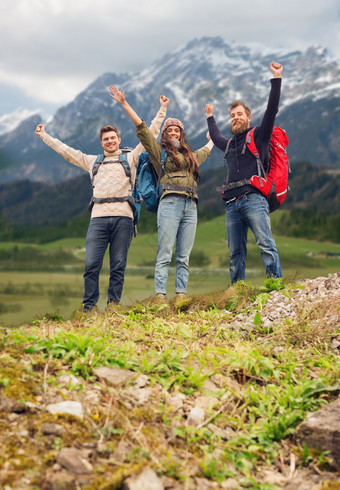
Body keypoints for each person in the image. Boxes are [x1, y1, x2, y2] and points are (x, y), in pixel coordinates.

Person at [35, 95, 169, 312]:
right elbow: (66, 151)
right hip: (97, 218)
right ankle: (89, 308)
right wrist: (44, 136)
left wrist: (162, 109)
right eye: (106, 139)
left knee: (118, 265)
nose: (110, 141)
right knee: (91, 266)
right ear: (101, 143)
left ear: (118, 139)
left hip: (124, 218)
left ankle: (113, 306)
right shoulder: (92, 161)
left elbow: (150, 133)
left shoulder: (131, 158)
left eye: (113, 138)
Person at [109, 84, 214, 302]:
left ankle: (181, 296)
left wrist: (213, 134)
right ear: (164, 135)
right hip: (169, 203)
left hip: (191, 205)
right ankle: (159, 296)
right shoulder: (158, 153)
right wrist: (124, 103)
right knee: (165, 253)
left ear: (182, 134)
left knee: (184, 256)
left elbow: (208, 148)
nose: (173, 133)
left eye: (177, 130)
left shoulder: (192, 157)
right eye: (169, 130)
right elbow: (142, 129)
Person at [205, 62, 283, 284]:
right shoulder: (229, 145)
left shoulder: (259, 136)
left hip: (254, 200)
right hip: (232, 205)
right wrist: (210, 116)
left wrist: (276, 79)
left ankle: (275, 288)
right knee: (235, 254)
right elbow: (216, 135)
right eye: (232, 115)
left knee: (266, 245)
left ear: (248, 118)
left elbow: (272, 110)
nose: (235, 118)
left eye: (239, 114)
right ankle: (237, 291)